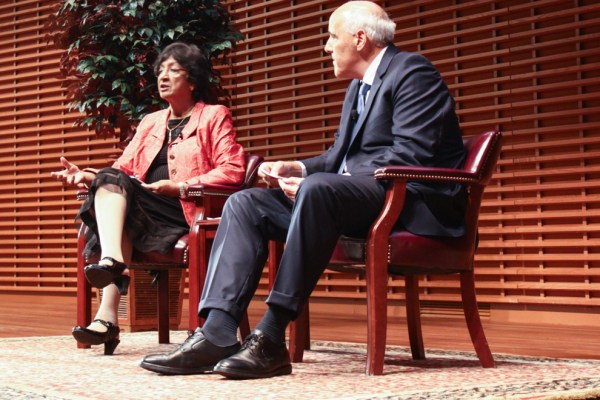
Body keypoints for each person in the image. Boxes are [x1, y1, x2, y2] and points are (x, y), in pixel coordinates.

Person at [140, 1, 466, 379]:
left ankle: (272, 337)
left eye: (331, 36)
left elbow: (411, 154)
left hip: (406, 202)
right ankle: (216, 332)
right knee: (246, 203)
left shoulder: (412, 71)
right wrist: (296, 168)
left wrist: (322, 182)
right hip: (352, 201)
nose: (326, 47)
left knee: (318, 191)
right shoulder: (358, 89)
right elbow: (339, 157)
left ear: (359, 39)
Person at [51, 42, 246, 355]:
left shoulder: (213, 116)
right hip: (146, 206)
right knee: (112, 193)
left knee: (118, 211)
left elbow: (233, 169)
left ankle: (108, 303)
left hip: (183, 209)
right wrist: (87, 176)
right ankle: (110, 289)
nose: (163, 76)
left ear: (192, 80)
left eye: (173, 70)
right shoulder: (150, 122)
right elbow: (121, 171)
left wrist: (182, 186)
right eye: (160, 70)